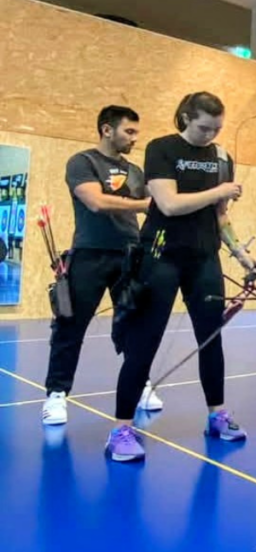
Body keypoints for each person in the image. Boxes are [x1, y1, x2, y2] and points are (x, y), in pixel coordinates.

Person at [104, 92, 254, 462]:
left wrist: (239, 252)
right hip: (161, 255)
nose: (210, 135)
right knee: (144, 342)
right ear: (186, 118)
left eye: (217, 129)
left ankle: (216, 415)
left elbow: (219, 215)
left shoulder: (221, 158)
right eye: (204, 127)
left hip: (204, 258)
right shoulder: (162, 149)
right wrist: (218, 190)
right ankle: (121, 429)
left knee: (211, 339)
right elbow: (168, 204)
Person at [42, 105, 164, 426]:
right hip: (89, 255)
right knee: (70, 326)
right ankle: (56, 394)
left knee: (135, 326)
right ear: (107, 130)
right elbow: (96, 201)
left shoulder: (136, 171)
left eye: (137, 132)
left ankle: (141, 384)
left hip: (130, 255)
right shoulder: (83, 162)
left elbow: (162, 201)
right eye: (129, 131)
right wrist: (143, 205)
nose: (135, 138)